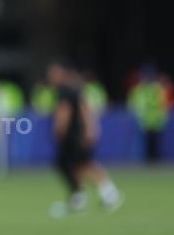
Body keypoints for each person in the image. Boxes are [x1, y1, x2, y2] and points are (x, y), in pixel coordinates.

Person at [47, 60, 123, 215]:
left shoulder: (65, 91)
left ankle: (108, 193)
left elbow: (65, 114)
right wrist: (91, 128)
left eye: (53, 74)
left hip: (73, 136)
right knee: (72, 165)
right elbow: (85, 109)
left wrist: (59, 130)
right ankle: (79, 196)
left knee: (82, 164)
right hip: (77, 134)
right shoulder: (75, 89)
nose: (50, 77)